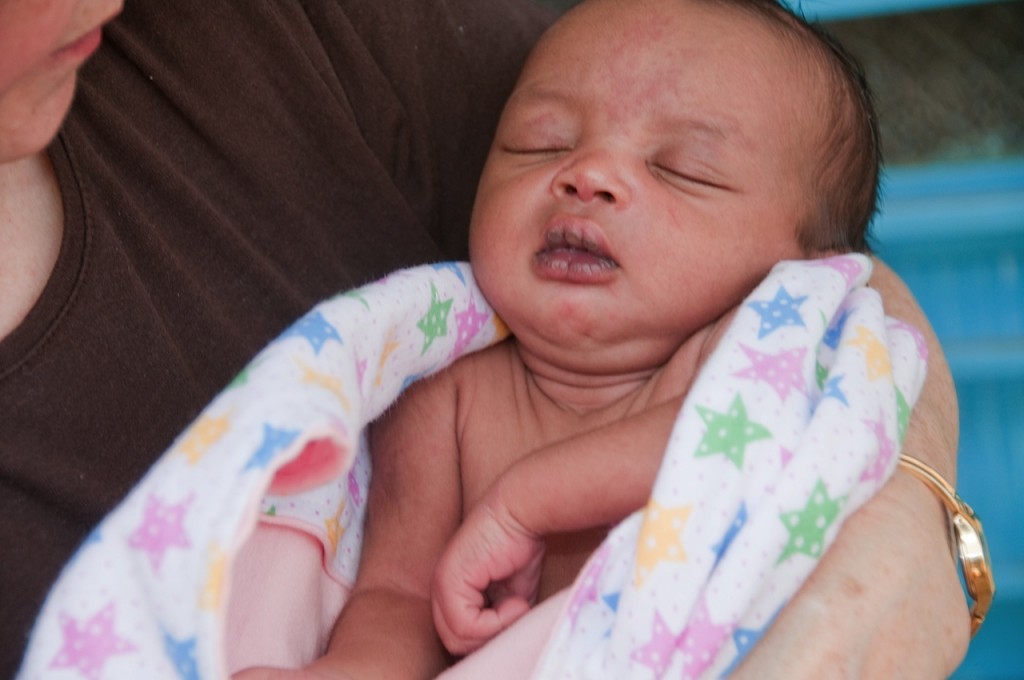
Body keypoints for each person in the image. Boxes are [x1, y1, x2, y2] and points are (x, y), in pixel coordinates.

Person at [0, 0, 965, 677]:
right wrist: (359, 668)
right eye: (539, 143)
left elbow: (742, 441)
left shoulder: (744, 355)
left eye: (685, 171)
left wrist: (526, 501)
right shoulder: (441, 390)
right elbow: (398, 590)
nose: (587, 175)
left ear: (798, 267)